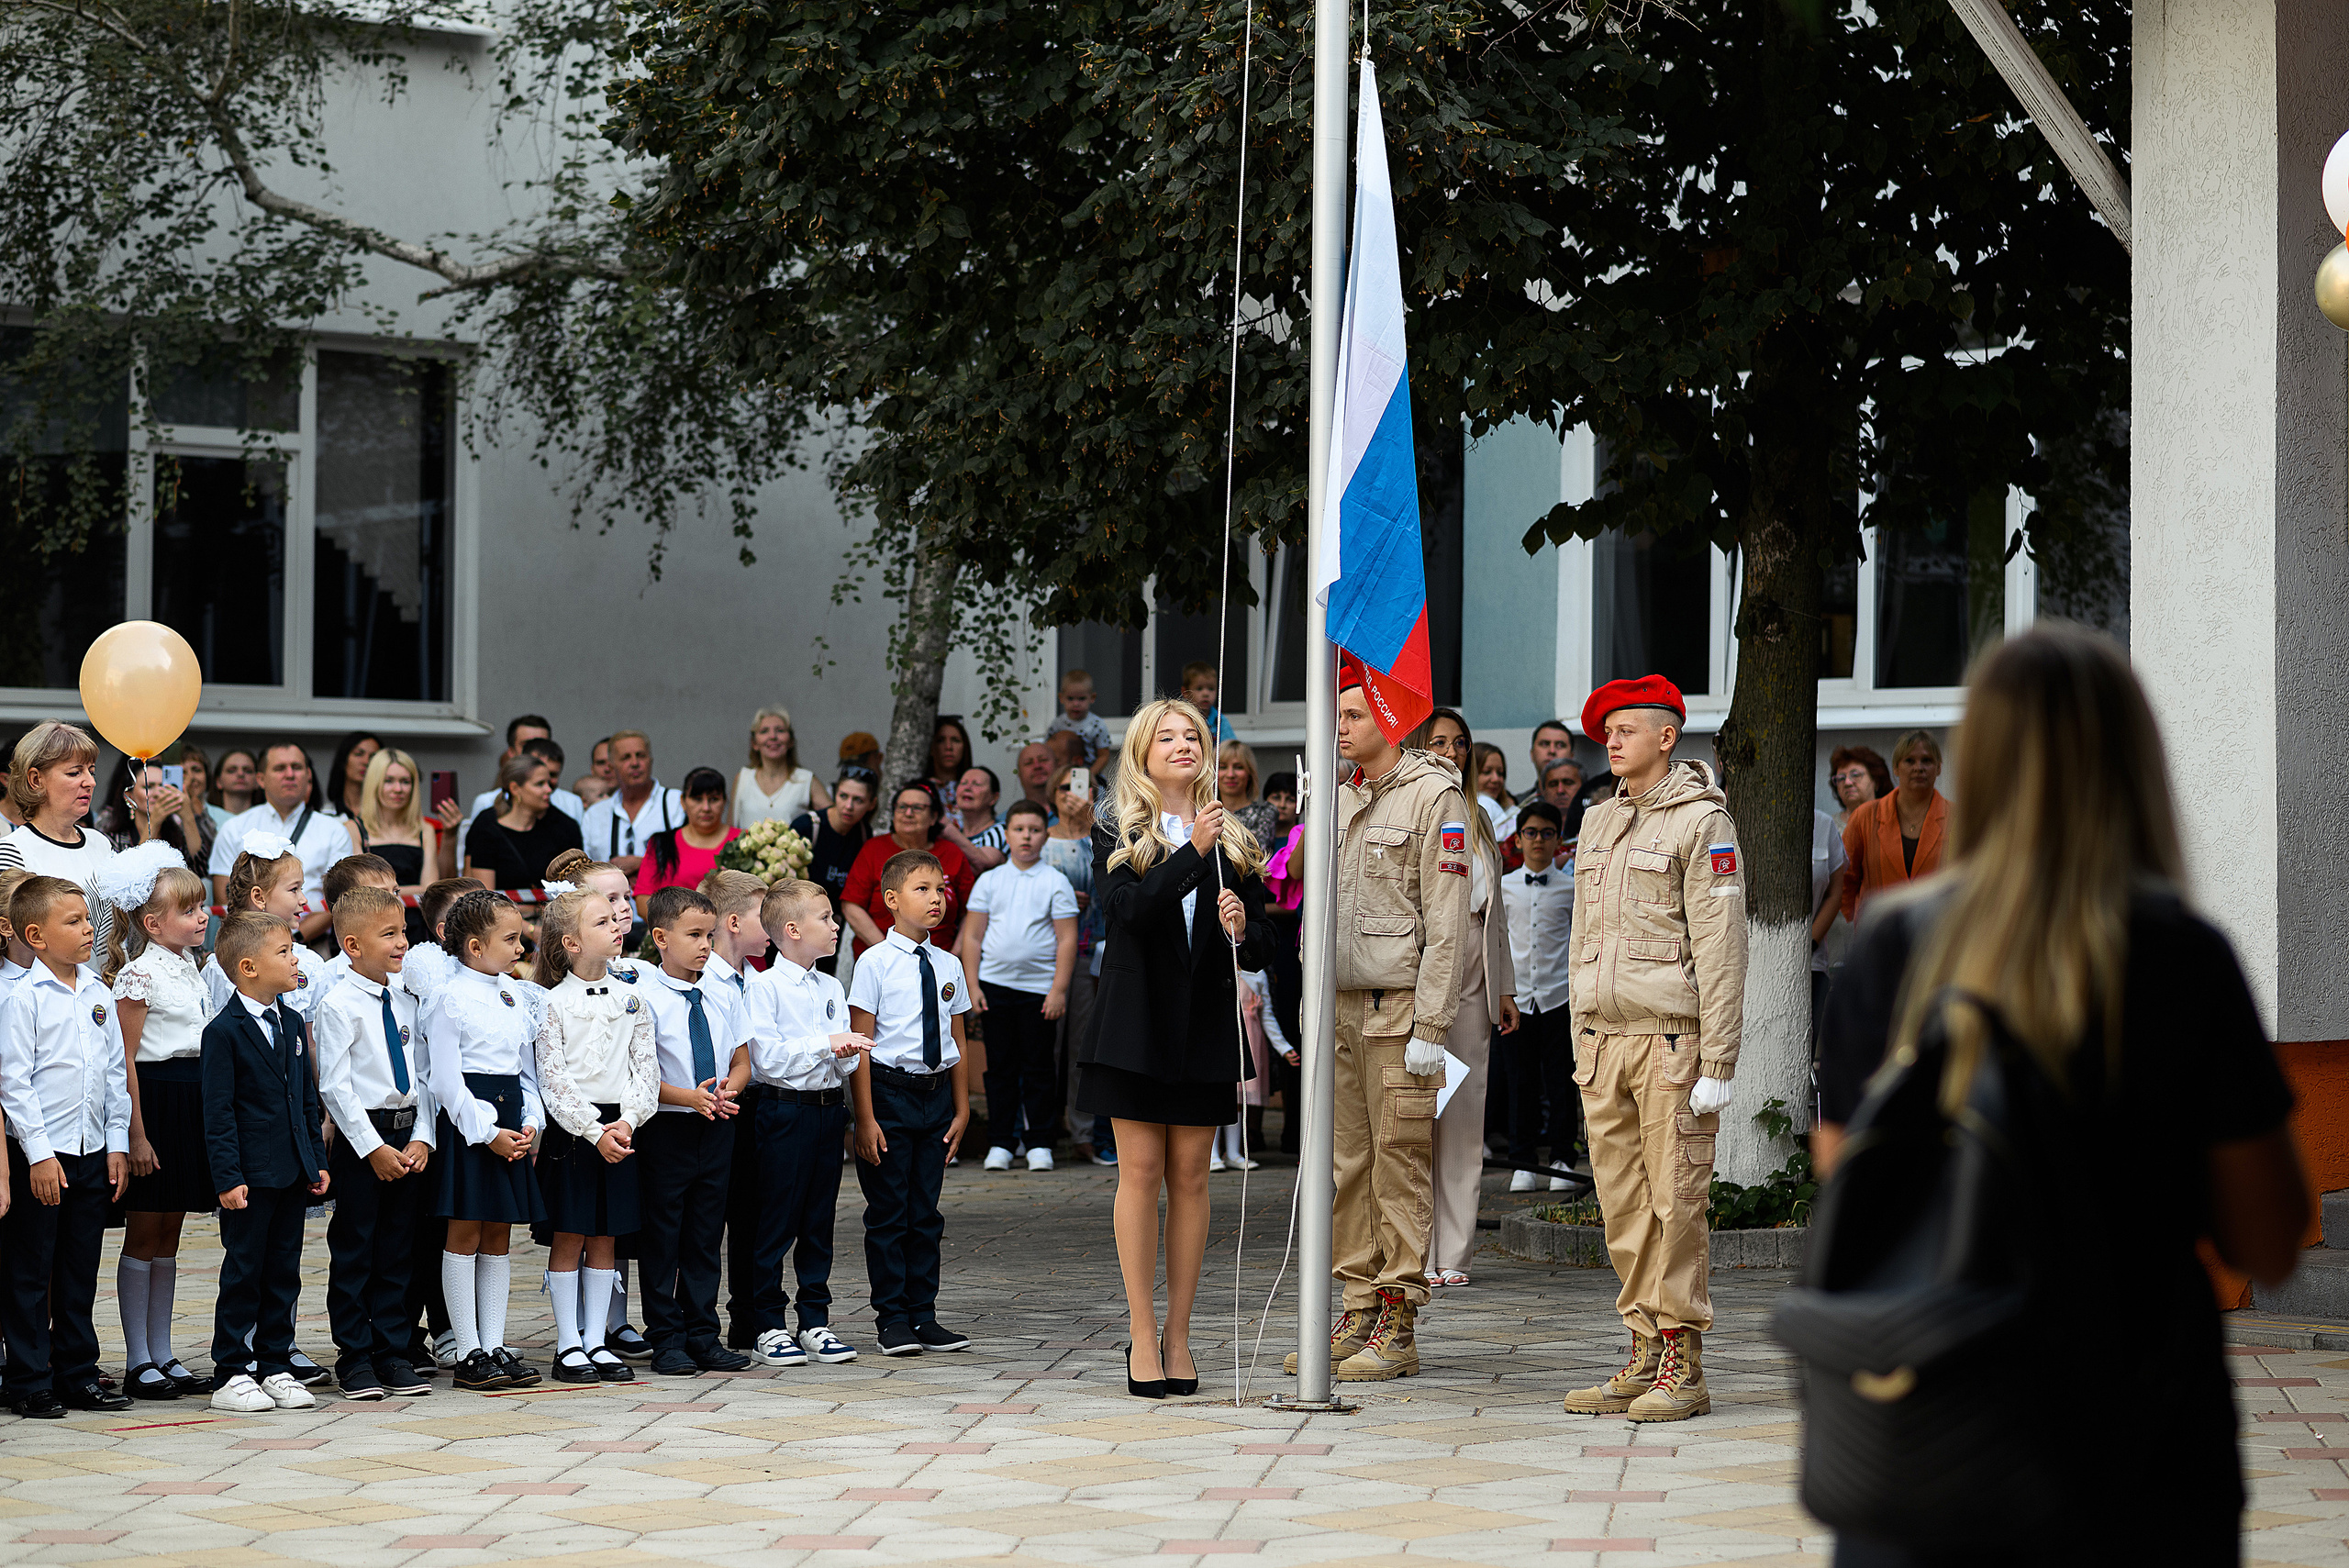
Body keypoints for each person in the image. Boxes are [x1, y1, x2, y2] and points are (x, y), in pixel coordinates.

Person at [1811, 625, 2309, 1567]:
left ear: (1980, 763)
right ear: (2133, 762)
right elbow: (2269, 1236)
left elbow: (1847, 1176)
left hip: (1930, 1426)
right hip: (2137, 1442)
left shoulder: (1892, 945)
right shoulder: (2178, 954)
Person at [1561, 674, 1745, 1425]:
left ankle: (1683, 1356)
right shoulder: (1599, 819)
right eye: (1606, 728)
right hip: (1605, 1041)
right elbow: (1583, 939)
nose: (1611, 739)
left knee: (1677, 1202)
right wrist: (1579, 1031)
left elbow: (1722, 944)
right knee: (1624, 1204)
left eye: (1627, 728)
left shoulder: (1704, 821)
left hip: (1672, 1043)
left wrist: (1720, 1061)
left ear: (1667, 737)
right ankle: (1641, 1345)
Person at [1074, 697, 1268, 1396]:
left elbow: (1266, 939)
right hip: (1135, 1023)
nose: (1184, 743)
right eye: (1168, 735)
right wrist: (1192, 851)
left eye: (1194, 734)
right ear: (1142, 751)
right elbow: (1130, 910)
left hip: (1204, 1024)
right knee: (1142, 1171)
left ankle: (1179, 1336)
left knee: (1192, 1175)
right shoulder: (1116, 827)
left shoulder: (1235, 834)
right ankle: (1139, 1332)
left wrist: (1244, 922)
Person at [1287, 670, 1469, 1385]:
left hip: (1398, 1011)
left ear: (1392, 716)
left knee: (1399, 1163)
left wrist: (1433, 1021)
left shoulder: (1435, 796)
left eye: (1355, 712)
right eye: (1338, 713)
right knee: (1348, 1166)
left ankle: (1399, 1314)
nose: (1341, 724)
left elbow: (1448, 923)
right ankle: (1359, 1303)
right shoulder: (1336, 795)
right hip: (1338, 1005)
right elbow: (1315, 909)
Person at [0, 877, 132, 1417]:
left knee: (80, 1267)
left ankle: (77, 1371)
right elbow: (14, 1081)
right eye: (73, 922)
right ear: (35, 935)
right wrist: (38, 1155)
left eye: (87, 919)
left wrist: (117, 1144)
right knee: (31, 1270)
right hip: (43, 1156)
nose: (87, 930)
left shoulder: (100, 993)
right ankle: (29, 1379)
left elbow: (113, 1073)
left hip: (91, 1151)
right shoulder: (21, 997)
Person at [198, 910, 329, 1414]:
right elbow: (218, 1113)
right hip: (249, 1177)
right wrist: (228, 1178)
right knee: (244, 1270)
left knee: (284, 1271)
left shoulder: (292, 1022)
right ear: (249, 967)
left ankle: (274, 1362)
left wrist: (316, 1161)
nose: (295, 958)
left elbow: (305, 1101)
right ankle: (231, 1369)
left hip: (292, 1171)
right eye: (285, 951)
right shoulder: (223, 1033)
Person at [97, 844, 214, 1400]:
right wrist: (135, 1133)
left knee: (171, 1231)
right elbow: (125, 1061)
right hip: (155, 1103)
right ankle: (137, 1357)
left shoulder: (191, 967)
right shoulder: (139, 976)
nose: (202, 917)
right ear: (152, 922)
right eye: (190, 910)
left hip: (189, 1100)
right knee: (144, 1230)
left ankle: (164, 1351)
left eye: (202, 908)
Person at [848, 851, 975, 1358]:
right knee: (889, 1212)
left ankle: (925, 1315)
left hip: (936, 1096)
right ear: (891, 899)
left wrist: (962, 1109)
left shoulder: (948, 964)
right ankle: (892, 1318)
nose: (936, 899)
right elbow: (862, 1043)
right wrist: (865, 1117)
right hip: (889, 1093)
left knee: (926, 1212)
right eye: (922, 889)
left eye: (941, 889)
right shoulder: (873, 962)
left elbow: (958, 1038)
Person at [742, 880, 874, 1369]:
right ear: (792, 930)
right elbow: (768, 1061)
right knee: (778, 1218)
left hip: (825, 1111)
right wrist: (828, 1043)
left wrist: (843, 1052)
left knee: (819, 1220)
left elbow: (842, 1064)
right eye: (826, 917)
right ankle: (769, 1325)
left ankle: (814, 1318)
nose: (836, 924)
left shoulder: (830, 985)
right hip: (783, 1111)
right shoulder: (763, 986)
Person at [418, 891, 547, 1391]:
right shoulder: (450, 999)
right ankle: (468, 1349)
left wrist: (530, 1121)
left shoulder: (515, 994)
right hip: (473, 1128)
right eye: (511, 938)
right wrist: (489, 1133)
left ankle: (494, 1343)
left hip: (511, 1123)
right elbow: (447, 1081)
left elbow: (523, 1071)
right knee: (465, 1233)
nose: (521, 945)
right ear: (474, 945)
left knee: (498, 1234)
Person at [313, 884, 436, 1402]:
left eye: (404, 931)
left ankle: (393, 1349)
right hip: (365, 1139)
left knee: (397, 1251)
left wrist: (423, 1137)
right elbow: (334, 1086)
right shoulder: (339, 1004)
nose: (402, 942)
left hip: (407, 1135)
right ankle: (355, 1356)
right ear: (352, 945)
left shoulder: (406, 998)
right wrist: (371, 1148)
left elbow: (425, 1074)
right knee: (356, 1249)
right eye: (389, 934)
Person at [531, 886, 657, 1385]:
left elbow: (644, 1068)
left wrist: (627, 1121)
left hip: (621, 1127)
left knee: (606, 1236)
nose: (617, 927)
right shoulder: (551, 1003)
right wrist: (591, 1129)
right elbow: (553, 1077)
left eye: (616, 919)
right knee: (571, 1233)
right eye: (603, 922)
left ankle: (597, 1340)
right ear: (572, 942)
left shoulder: (633, 999)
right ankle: (567, 1344)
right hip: (575, 1132)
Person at [633, 885, 754, 1376]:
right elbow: (640, 1074)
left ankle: (704, 1334)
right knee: (664, 1236)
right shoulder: (643, 997)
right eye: (694, 935)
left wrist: (729, 1091)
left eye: (710, 934)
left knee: (706, 1234)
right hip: (668, 1126)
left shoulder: (724, 991)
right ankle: (666, 1337)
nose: (706, 944)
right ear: (660, 938)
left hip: (718, 1123)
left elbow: (742, 1059)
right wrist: (691, 1097)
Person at [1426, 765, 1519, 1284]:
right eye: (1438, 743)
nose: (1451, 755)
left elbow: (1496, 912)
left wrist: (1503, 985)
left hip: (1473, 975)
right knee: (1415, 1118)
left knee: (1462, 1116)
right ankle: (1412, 1249)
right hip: (1419, 974)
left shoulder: (1478, 817)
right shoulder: (1412, 809)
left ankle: (1453, 1253)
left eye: (1460, 745)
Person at [960, 799, 1079, 1173]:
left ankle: (1039, 1142)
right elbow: (973, 937)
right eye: (1019, 829)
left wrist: (1058, 990)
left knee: (1039, 1066)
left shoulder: (1055, 882)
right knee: (1000, 1067)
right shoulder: (990, 880)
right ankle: (1001, 1142)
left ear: (1045, 834)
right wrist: (972, 985)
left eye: (1035, 829)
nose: (1026, 837)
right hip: (994, 988)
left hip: (1039, 992)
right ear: (1006, 832)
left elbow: (1066, 940)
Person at [208, 741, 362, 942]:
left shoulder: (334, 830)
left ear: (308, 776)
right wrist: (261, 942)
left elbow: (341, 898)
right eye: (280, 768)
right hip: (247, 943)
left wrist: (292, 939)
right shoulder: (235, 828)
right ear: (261, 779)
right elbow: (225, 897)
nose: (289, 774)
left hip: (312, 944)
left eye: (297, 767)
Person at [1499, 801, 1575, 1192]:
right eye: (1531, 833)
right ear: (1518, 839)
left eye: (1548, 833)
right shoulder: (1505, 886)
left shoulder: (1570, 888)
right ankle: (1523, 1161)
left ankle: (1563, 1157)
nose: (1539, 840)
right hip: (1517, 1001)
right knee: (1520, 1082)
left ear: (1559, 841)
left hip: (1558, 996)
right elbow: (1498, 942)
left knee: (1561, 1080)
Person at [1041, 763, 1111, 1166]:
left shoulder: (1101, 838)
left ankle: (1084, 1132)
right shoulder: (1039, 838)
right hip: (1044, 957)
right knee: (1044, 1050)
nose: (1073, 793)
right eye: (1065, 786)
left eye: (1081, 787)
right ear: (1053, 792)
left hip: (1091, 951)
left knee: (1084, 1047)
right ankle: (1040, 1132)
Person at [0, 723, 119, 951]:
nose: (90, 782)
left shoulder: (100, 842)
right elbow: (14, 950)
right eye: (75, 773)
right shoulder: (12, 851)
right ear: (35, 780)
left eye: (91, 772)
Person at [841, 783, 976, 959]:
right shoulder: (873, 849)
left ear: (934, 817)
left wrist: (954, 955)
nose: (908, 813)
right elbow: (852, 906)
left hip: (938, 961)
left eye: (918, 808)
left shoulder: (952, 853)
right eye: (902, 807)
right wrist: (890, 951)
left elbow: (971, 910)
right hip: (882, 961)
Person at [203, 839, 333, 1020]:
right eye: (294, 889)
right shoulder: (221, 969)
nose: (304, 900)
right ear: (258, 896)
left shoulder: (310, 965)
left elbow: (311, 1041)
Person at [1839, 729, 1947, 924]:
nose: (1918, 768)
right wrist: (1862, 924)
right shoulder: (1864, 818)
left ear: (1938, 768)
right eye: (1909, 761)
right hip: (1878, 939)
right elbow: (1844, 881)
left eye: (1927, 761)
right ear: (1896, 768)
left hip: (1938, 939)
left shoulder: (1956, 818)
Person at [1808, 744, 1889, 972]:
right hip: (1832, 937)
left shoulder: (1893, 822)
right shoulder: (1825, 826)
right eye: (1840, 778)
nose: (1847, 782)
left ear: (1876, 778)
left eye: (1856, 775)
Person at [791, 769, 876, 974]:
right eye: (843, 796)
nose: (849, 806)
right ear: (834, 793)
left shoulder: (864, 834)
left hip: (831, 929)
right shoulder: (808, 826)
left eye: (858, 800)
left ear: (871, 804)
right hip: (795, 928)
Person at [465, 753, 585, 893]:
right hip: (501, 913)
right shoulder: (488, 829)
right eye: (539, 784)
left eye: (548, 783)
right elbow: (485, 896)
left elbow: (576, 887)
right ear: (515, 788)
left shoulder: (562, 827)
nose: (548, 790)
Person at [357, 748, 443, 931]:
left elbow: (430, 890)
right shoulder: (354, 829)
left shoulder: (425, 830)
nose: (398, 789)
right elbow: (360, 891)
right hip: (371, 928)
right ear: (374, 783)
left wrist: (382, 891)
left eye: (405, 782)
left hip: (417, 927)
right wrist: (414, 891)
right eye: (388, 781)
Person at [581, 731, 685, 878]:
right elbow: (585, 873)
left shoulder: (676, 803)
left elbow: (693, 858)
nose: (635, 763)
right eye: (626, 758)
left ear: (651, 760)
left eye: (641, 755)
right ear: (612, 766)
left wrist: (642, 863)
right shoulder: (595, 815)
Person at [632, 769, 738, 902]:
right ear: (683, 801)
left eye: (714, 799)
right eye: (697, 799)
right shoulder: (663, 843)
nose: (706, 807)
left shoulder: (744, 841)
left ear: (724, 801)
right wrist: (676, 922)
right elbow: (643, 898)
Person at [735, 706, 829, 828]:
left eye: (780, 730)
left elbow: (834, 822)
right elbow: (731, 828)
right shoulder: (742, 778)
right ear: (754, 743)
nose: (773, 736)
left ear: (791, 741)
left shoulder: (806, 780)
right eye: (764, 731)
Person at [940, 765, 1008, 872]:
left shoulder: (1002, 830)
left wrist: (947, 828)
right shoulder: (956, 834)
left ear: (994, 798)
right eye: (963, 783)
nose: (968, 788)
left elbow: (985, 864)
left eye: (976, 784)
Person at [1214, 740, 1278, 846]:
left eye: (1238, 767)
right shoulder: (1203, 813)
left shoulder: (1265, 813)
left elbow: (1256, 854)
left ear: (1249, 773)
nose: (1230, 774)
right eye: (1223, 767)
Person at [1046, 669, 1114, 763]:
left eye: (1082, 699)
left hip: (1089, 773)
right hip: (1061, 773)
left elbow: (1104, 756)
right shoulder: (1057, 724)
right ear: (1061, 698)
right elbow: (1047, 750)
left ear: (1092, 698)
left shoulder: (1098, 725)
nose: (1076, 704)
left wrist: (1090, 774)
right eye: (1070, 698)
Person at [323, 731, 384, 821]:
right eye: (359, 754)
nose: (366, 761)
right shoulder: (326, 813)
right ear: (344, 760)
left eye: (372, 757)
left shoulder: (385, 814)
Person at [1179, 662, 1239, 743]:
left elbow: (1230, 748)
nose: (1206, 694)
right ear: (1185, 692)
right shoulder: (1181, 718)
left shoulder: (1219, 721)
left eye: (1211, 689)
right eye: (1199, 689)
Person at [1469, 741, 1514, 831]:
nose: (1496, 779)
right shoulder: (1484, 804)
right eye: (1486, 772)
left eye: (1500, 773)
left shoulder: (1508, 807)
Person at [212, 748, 262, 818]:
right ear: (218, 781)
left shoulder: (267, 819)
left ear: (258, 781)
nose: (240, 774)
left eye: (248, 771)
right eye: (231, 770)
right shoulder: (207, 819)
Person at [1013, 741, 1055, 813]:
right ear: (1019, 774)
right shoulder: (1008, 821)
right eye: (1028, 763)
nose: (1037, 766)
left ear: (1057, 765)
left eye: (1043, 760)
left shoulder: (1077, 813)